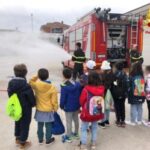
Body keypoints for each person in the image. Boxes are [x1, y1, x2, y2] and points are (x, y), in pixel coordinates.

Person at [7, 64, 36, 149]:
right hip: (25, 108)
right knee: (25, 124)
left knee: (17, 121)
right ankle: (23, 143)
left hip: (15, 107)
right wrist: (33, 104)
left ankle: (17, 137)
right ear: (25, 73)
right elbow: (31, 98)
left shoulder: (11, 83)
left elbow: (10, 94)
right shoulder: (26, 85)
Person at [29, 68, 58, 145]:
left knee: (40, 125)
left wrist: (36, 76)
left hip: (39, 109)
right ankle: (48, 140)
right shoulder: (52, 87)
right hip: (48, 110)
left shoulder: (36, 85)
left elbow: (30, 81)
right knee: (48, 125)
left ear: (39, 76)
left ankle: (40, 140)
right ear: (47, 76)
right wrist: (55, 108)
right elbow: (54, 101)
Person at [79, 72, 105, 150]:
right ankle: (93, 144)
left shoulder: (85, 89)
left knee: (84, 128)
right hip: (97, 112)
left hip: (87, 113)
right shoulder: (101, 89)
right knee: (94, 127)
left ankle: (83, 145)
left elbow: (81, 101)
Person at [60, 68, 82, 143]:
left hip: (68, 107)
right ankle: (76, 134)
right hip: (76, 105)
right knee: (76, 120)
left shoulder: (64, 86)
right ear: (71, 75)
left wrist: (61, 105)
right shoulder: (77, 84)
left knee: (68, 121)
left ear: (63, 75)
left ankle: (69, 136)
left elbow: (63, 98)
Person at [112, 62, 128, 127]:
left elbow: (113, 84)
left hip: (116, 93)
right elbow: (126, 84)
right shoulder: (125, 74)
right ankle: (123, 121)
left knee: (117, 106)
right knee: (122, 106)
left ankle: (118, 120)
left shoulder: (115, 74)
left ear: (116, 67)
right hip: (123, 93)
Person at [98, 60, 114, 128]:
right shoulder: (111, 74)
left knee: (103, 108)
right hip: (110, 93)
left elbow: (100, 85)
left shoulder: (102, 75)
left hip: (103, 93)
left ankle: (102, 122)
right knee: (107, 108)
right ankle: (107, 121)